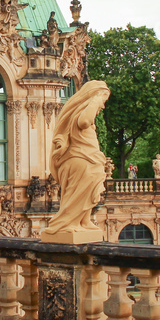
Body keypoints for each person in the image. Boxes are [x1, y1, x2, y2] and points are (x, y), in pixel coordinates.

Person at [42, 81, 110, 237]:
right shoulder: (83, 114)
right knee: (81, 191)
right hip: (82, 161)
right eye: (103, 102)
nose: (103, 106)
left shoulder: (80, 113)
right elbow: (84, 122)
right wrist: (96, 100)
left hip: (87, 159)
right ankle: (66, 222)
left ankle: (83, 221)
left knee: (89, 191)